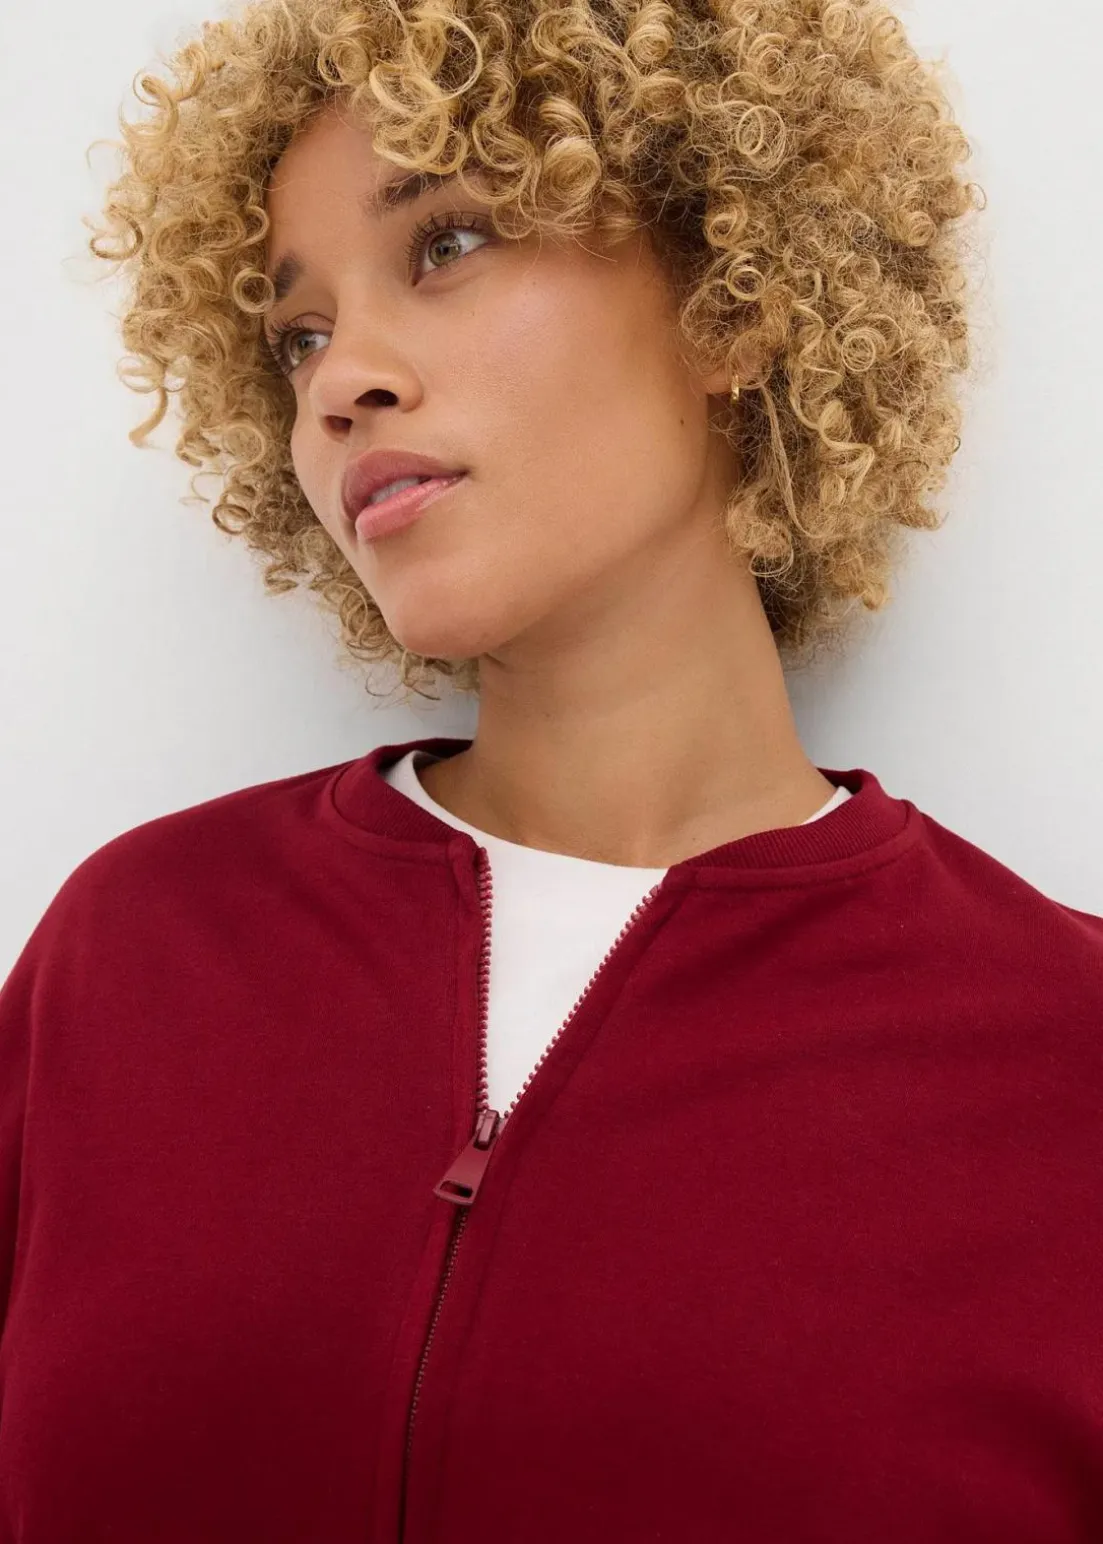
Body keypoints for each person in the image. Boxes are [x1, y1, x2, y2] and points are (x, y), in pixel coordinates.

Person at [2, 0, 1101, 1539]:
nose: (338, 381)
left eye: (446, 244)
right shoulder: (135, 954)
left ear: (729, 302)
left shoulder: (1061, 1057)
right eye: (297, 333)